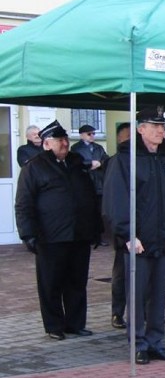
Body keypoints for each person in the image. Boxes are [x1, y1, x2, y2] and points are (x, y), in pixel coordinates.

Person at [102, 107, 165, 365]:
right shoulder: (125, 159)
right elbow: (115, 201)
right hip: (137, 240)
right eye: (155, 127)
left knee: (159, 294)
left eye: (163, 127)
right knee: (137, 295)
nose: (161, 131)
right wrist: (128, 233)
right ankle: (138, 343)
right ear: (141, 129)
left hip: (164, 238)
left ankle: (156, 341)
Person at [15, 120, 99, 341]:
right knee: (51, 283)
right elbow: (24, 204)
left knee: (77, 282)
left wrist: (96, 228)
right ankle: (54, 325)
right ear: (46, 144)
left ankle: (75, 323)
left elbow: (89, 195)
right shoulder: (34, 167)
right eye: (59, 140)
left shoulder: (76, 162)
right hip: (50, 236)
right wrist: (28, 234)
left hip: (79, 234)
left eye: (65, 140)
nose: (64, 144)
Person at [108, 122, 131, 328]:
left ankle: (145, 312)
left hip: (146, 229)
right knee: (121, 273)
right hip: (123, 228)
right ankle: (117, 312)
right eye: (127, 137)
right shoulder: (116, 162)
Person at [70, 123, 109, 246]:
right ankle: (89, 236)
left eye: (93, 133)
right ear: (82, 135)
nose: (92, 136)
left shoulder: (98, 147)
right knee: (87, 211)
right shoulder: (76, 148)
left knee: (99, 211)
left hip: (99, 183)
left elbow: (106, 160)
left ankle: (99, 237)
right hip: (85, 183)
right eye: (89, 134)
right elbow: (75, 162)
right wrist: (89, 163)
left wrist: (100, 163)